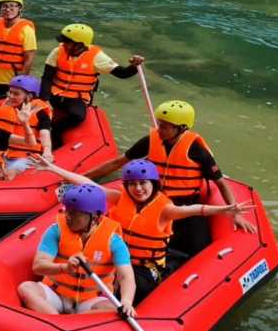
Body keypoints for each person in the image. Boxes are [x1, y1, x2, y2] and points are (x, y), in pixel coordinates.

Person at [31, 157, 254, 303]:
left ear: (153, 184)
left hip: (144, 266)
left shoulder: (165, 209)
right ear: (127, 185)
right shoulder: (121, 199)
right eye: (133, 184)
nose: (138, 189)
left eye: (143, 183)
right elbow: (88, 185)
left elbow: (194, 210)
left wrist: (226, 209)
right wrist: (53, 168)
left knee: (125, 289)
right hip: (113, 259)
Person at [83, 99, 257, 256]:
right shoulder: (151, 141)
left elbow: (220, 182)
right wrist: (85, 176)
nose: (159, 129)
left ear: (181, 128)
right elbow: (118, 162)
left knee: (199, 248)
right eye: (159, 124)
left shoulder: (197, 150)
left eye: (165, 126)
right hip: (152, 200)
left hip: (185, 205)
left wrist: (235, 213)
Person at [17, 184, 136, 316]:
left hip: (91, 300)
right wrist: (64, 268)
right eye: (67, 210)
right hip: (55, 293)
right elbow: (38, 266)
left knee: (113, 308)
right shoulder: (56, 230)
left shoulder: (114, 242)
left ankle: (72, 324)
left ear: (95, 217)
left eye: (75, 213)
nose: (67, 216)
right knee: (26, 288)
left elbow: (126, 276)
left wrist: (126, 301)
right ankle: (58, 321)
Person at [41, 23, 144, 142]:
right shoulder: (58, 51)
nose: (63, 44)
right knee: (39, 110)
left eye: (67, 42)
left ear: (79, 45)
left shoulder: (97, 57)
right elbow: (47, 77)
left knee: (78, 116)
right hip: (55, 92)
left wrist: (134, 65)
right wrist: (44, 99)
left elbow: (122, 73)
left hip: (77, 97)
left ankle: (56, 130)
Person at [0, 74, 52, 178]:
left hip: (26, 156)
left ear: (29, 96)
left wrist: (47, 150)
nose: (11, 96)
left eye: (16, 94)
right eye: (10, 92)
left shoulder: (40, 114)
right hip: (1, 153)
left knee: (9, 173)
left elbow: (44, 133)